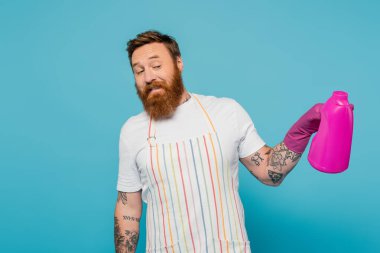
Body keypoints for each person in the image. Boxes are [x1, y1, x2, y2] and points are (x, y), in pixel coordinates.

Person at [114, 30, 322, 253]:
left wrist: (302, 131)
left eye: (156, 66)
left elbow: (270, 173)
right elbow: (129, 208)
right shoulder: (132, 131)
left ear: (178, 63)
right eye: (139, 70)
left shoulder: (226, 112)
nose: (148, 77)